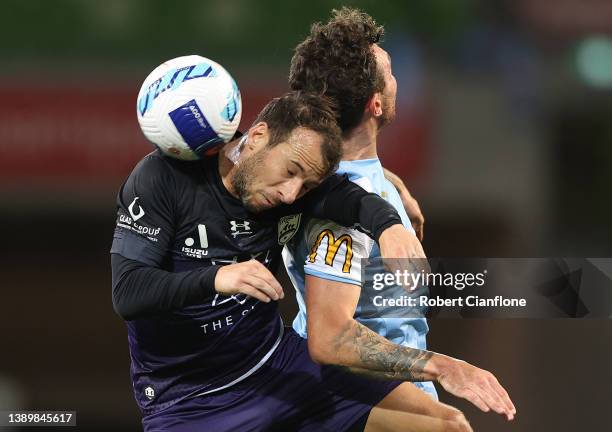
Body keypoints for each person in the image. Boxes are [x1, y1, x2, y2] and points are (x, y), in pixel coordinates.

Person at [111, 91, 462, 431]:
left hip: (278, 367)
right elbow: (128, 292)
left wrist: (390, 227)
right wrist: (217, 278)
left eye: (306, 185)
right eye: (291, 171)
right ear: (258, 136)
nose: (291, 193)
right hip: (190, 402)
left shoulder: (293, 190)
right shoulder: (162, 177)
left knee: (442, 425)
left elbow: (352, 199)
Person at [283, 6, 516, 424]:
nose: (397, 79)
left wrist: (392, 187)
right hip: (357, 399)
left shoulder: (347, 181)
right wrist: (447, 367)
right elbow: (330, 336)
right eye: (390, 72)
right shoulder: (342, 220)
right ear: (375, 104)